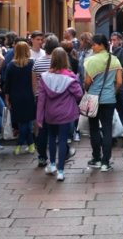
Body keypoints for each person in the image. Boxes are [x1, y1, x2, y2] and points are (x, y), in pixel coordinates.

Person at [36, 49, 84, 182]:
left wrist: (39, 117)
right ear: (65, 60)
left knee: (51, 138)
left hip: (50, 113)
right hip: (66, 113)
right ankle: (61, 171)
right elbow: (79, 94)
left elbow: (41, 99)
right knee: (63, 140)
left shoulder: (44, 77)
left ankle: (52, 165)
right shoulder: (70, 77)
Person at [84, 34, 122, 171]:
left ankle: (97, 158)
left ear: (101, 45)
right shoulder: (115, 60)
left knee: (94, 128)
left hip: (93, 98)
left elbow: (87, 82)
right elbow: (119, 82)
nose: (92, 47)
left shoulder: (90, 61)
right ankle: (106, 162)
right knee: (107, 129)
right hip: (109, 99)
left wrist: (87, 89)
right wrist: (113, 92)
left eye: (94, 44)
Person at [2, 41, 35, 155]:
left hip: (16, 97)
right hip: (29, 96)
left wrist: (7, 98)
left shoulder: (11, 65)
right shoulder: (32, 64)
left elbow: (7, 84)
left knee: (22, 122)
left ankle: (21, 145)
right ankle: (28, 145)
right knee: (27, 123)